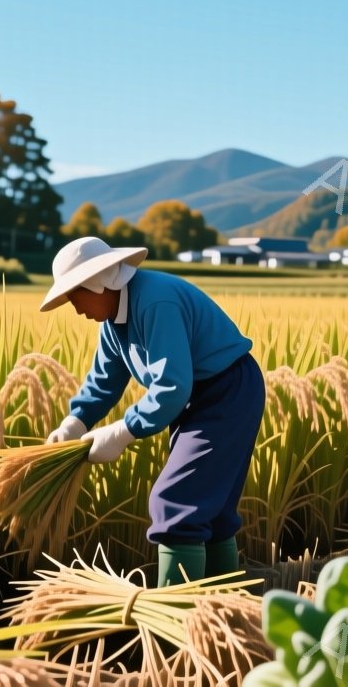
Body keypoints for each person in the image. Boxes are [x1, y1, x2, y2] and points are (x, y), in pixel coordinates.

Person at [40, 236, 264, 586]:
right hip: (202, 397)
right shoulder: (114, 321)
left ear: (98, 283)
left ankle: (174, 618)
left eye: (75, 294)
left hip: (226, 391)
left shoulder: (155, 301)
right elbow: (105, 379)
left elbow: (173, 386)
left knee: (174, 502)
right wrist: (76, 420)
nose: (74, 306)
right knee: (211, 510)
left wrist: (123, 431)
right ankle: (229, 609)